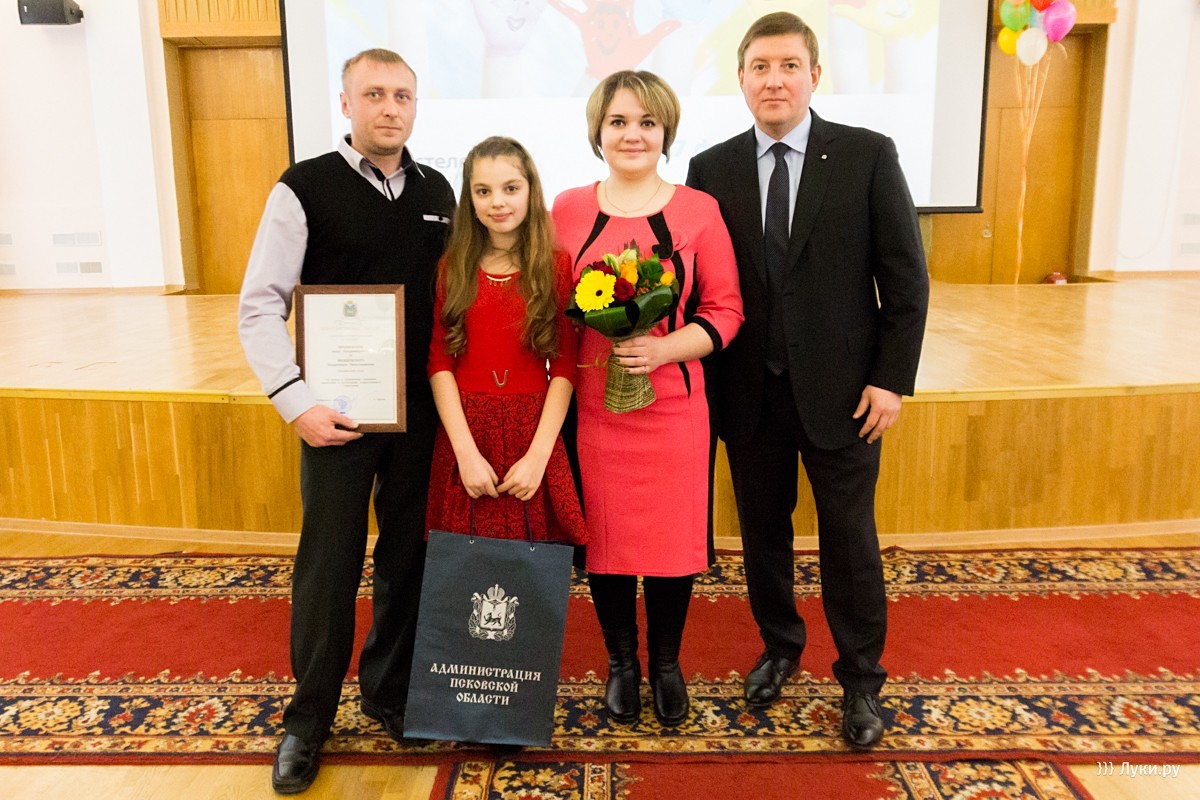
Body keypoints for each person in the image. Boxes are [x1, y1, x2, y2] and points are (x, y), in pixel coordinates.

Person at [686, 12, 929, 750]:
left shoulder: (866, 155)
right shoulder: (711, 169)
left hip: (846, 396)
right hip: (749, 394)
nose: (775, 80)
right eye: (760, 67)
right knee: (764, 535)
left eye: (789, 65)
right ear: (741, 79)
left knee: (849, 541)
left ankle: (861, 679)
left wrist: (890, 380)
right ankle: (780, 646)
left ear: (814, 76)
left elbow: (906, 279)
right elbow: (701, 288)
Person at [238, 48, 455, 794]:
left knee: (407, 558)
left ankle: (388, 692)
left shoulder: (438, 191)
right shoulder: (303, 187)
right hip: (334, 414)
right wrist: (296, 401)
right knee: (328, 565)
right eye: (374, 94)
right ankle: (308, 720)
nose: (390, 108)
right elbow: (260, 305)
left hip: (419, 414)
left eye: (402, 95)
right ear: (345, 104)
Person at [552, 70, 743, 728]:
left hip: (675, 409)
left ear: (666, 132)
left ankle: (665, 663)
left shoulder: (699, 211)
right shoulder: (567, 210)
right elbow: (552, 307)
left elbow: (726, 311)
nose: (632, 134)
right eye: (618, 122)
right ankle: (620, 663)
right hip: (595, 412)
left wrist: (664, 351)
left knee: (669, 543)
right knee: (605, 541)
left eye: (647, 123)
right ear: (597, 132)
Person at [426, 136, 586, 547]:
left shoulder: (555, 266)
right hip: (467, 430)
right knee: (465, 557)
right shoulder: (453, 267)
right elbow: (440, 362)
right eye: (483, 191)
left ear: (531, 191)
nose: (497, 202)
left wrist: (538, 457)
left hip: (532, 429)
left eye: (510, 188)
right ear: (470, 198)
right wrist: (465, 453)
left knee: (531, 558)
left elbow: (565, 366)